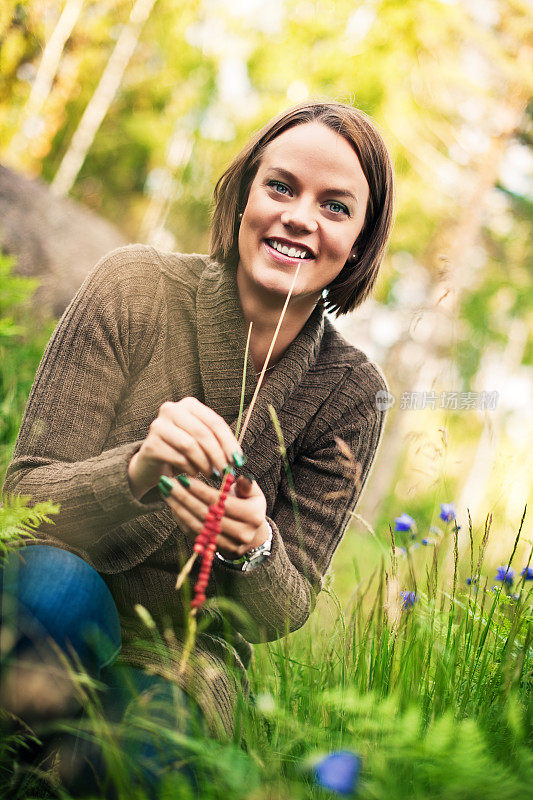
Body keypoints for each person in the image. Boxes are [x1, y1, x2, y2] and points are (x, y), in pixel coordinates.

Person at [0, 100, 394, 794]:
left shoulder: (350, 393)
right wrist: (136, 471)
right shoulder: (134, 288)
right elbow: (22, 499)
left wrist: (255, 546)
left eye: (335, 206)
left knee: (125, 759)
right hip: (68, 583)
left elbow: (285, 607)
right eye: (281, 186)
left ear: (359, 242)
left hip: (184, 652)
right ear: (244, 194)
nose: (300, 216)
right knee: (52, 596)